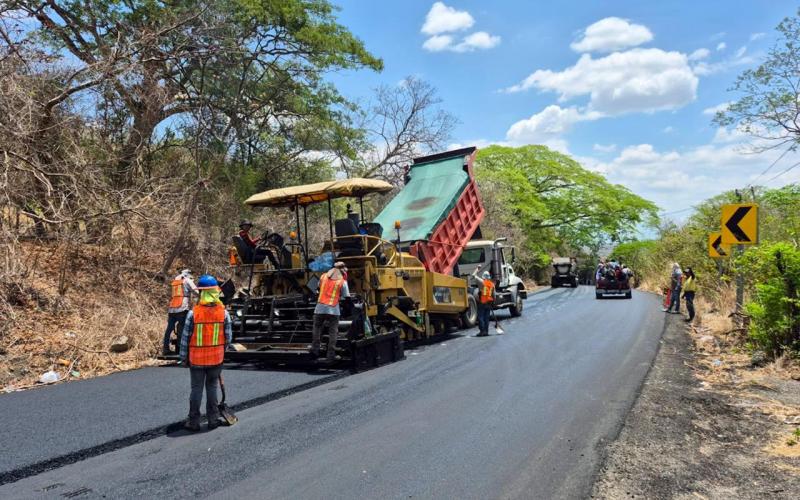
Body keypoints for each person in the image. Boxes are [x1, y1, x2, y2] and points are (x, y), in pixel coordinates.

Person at [179, 275, 232, 431]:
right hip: (216, 360)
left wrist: (183, 358)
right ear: (216, 292)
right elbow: (228, 338)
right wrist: (221, 352)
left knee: (196, 389)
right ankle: (213, 420)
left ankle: (193, 422)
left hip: (196, 360)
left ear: (201, 293)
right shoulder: (224, 313)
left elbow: (185, 339)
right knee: (212, 388)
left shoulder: (193, 314)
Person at [311, 261, 349, 363]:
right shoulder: (342, 281)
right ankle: (330, 355)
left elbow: (317, 288)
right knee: (333, 332)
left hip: (319, 308)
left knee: (317, 328)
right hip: (333, 310)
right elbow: (347, 297)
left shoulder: (323, 276)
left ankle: (315, 350)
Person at [162, 269, 197, 355]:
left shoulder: (176, 280)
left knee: (169, 329)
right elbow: (196, 291)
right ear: (188, 274)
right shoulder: (187, 280)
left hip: (172, 308)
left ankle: (165, 349)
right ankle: (181, 349)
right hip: (182, 307)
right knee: (182, 328)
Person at [476, 270, 495, 337]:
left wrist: (477, 269)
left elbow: (474, 276)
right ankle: (486, 331)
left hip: (482, 302)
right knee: (486, 317)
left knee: (480, 317)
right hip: (489, 303)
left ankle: (482, 331)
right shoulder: (492, 284)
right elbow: (494, 295)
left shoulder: (482, 282)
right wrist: (493, 303)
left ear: (484, 277)